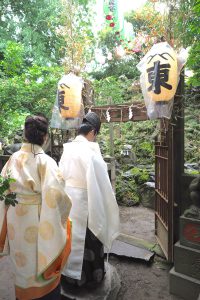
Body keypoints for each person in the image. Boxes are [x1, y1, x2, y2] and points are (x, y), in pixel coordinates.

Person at [0, 115, 72, 300]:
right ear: (45, 137)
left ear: (25, 133)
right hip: (39, 219)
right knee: (39, 258)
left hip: (16, 218)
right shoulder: (45, 162)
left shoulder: (13, 159)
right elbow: (57, 196)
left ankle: (23, 294)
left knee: (22, 261)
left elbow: (3, 191)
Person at [59, 112, 120, 292]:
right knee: (90, 238)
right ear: (92, 131)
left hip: (68, 201)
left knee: (70, 239)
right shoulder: (91, 151)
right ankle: (91, 280)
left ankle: (70, 279)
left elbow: (60, 176)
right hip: (86, 201)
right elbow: (101, 183)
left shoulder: (67, 149)